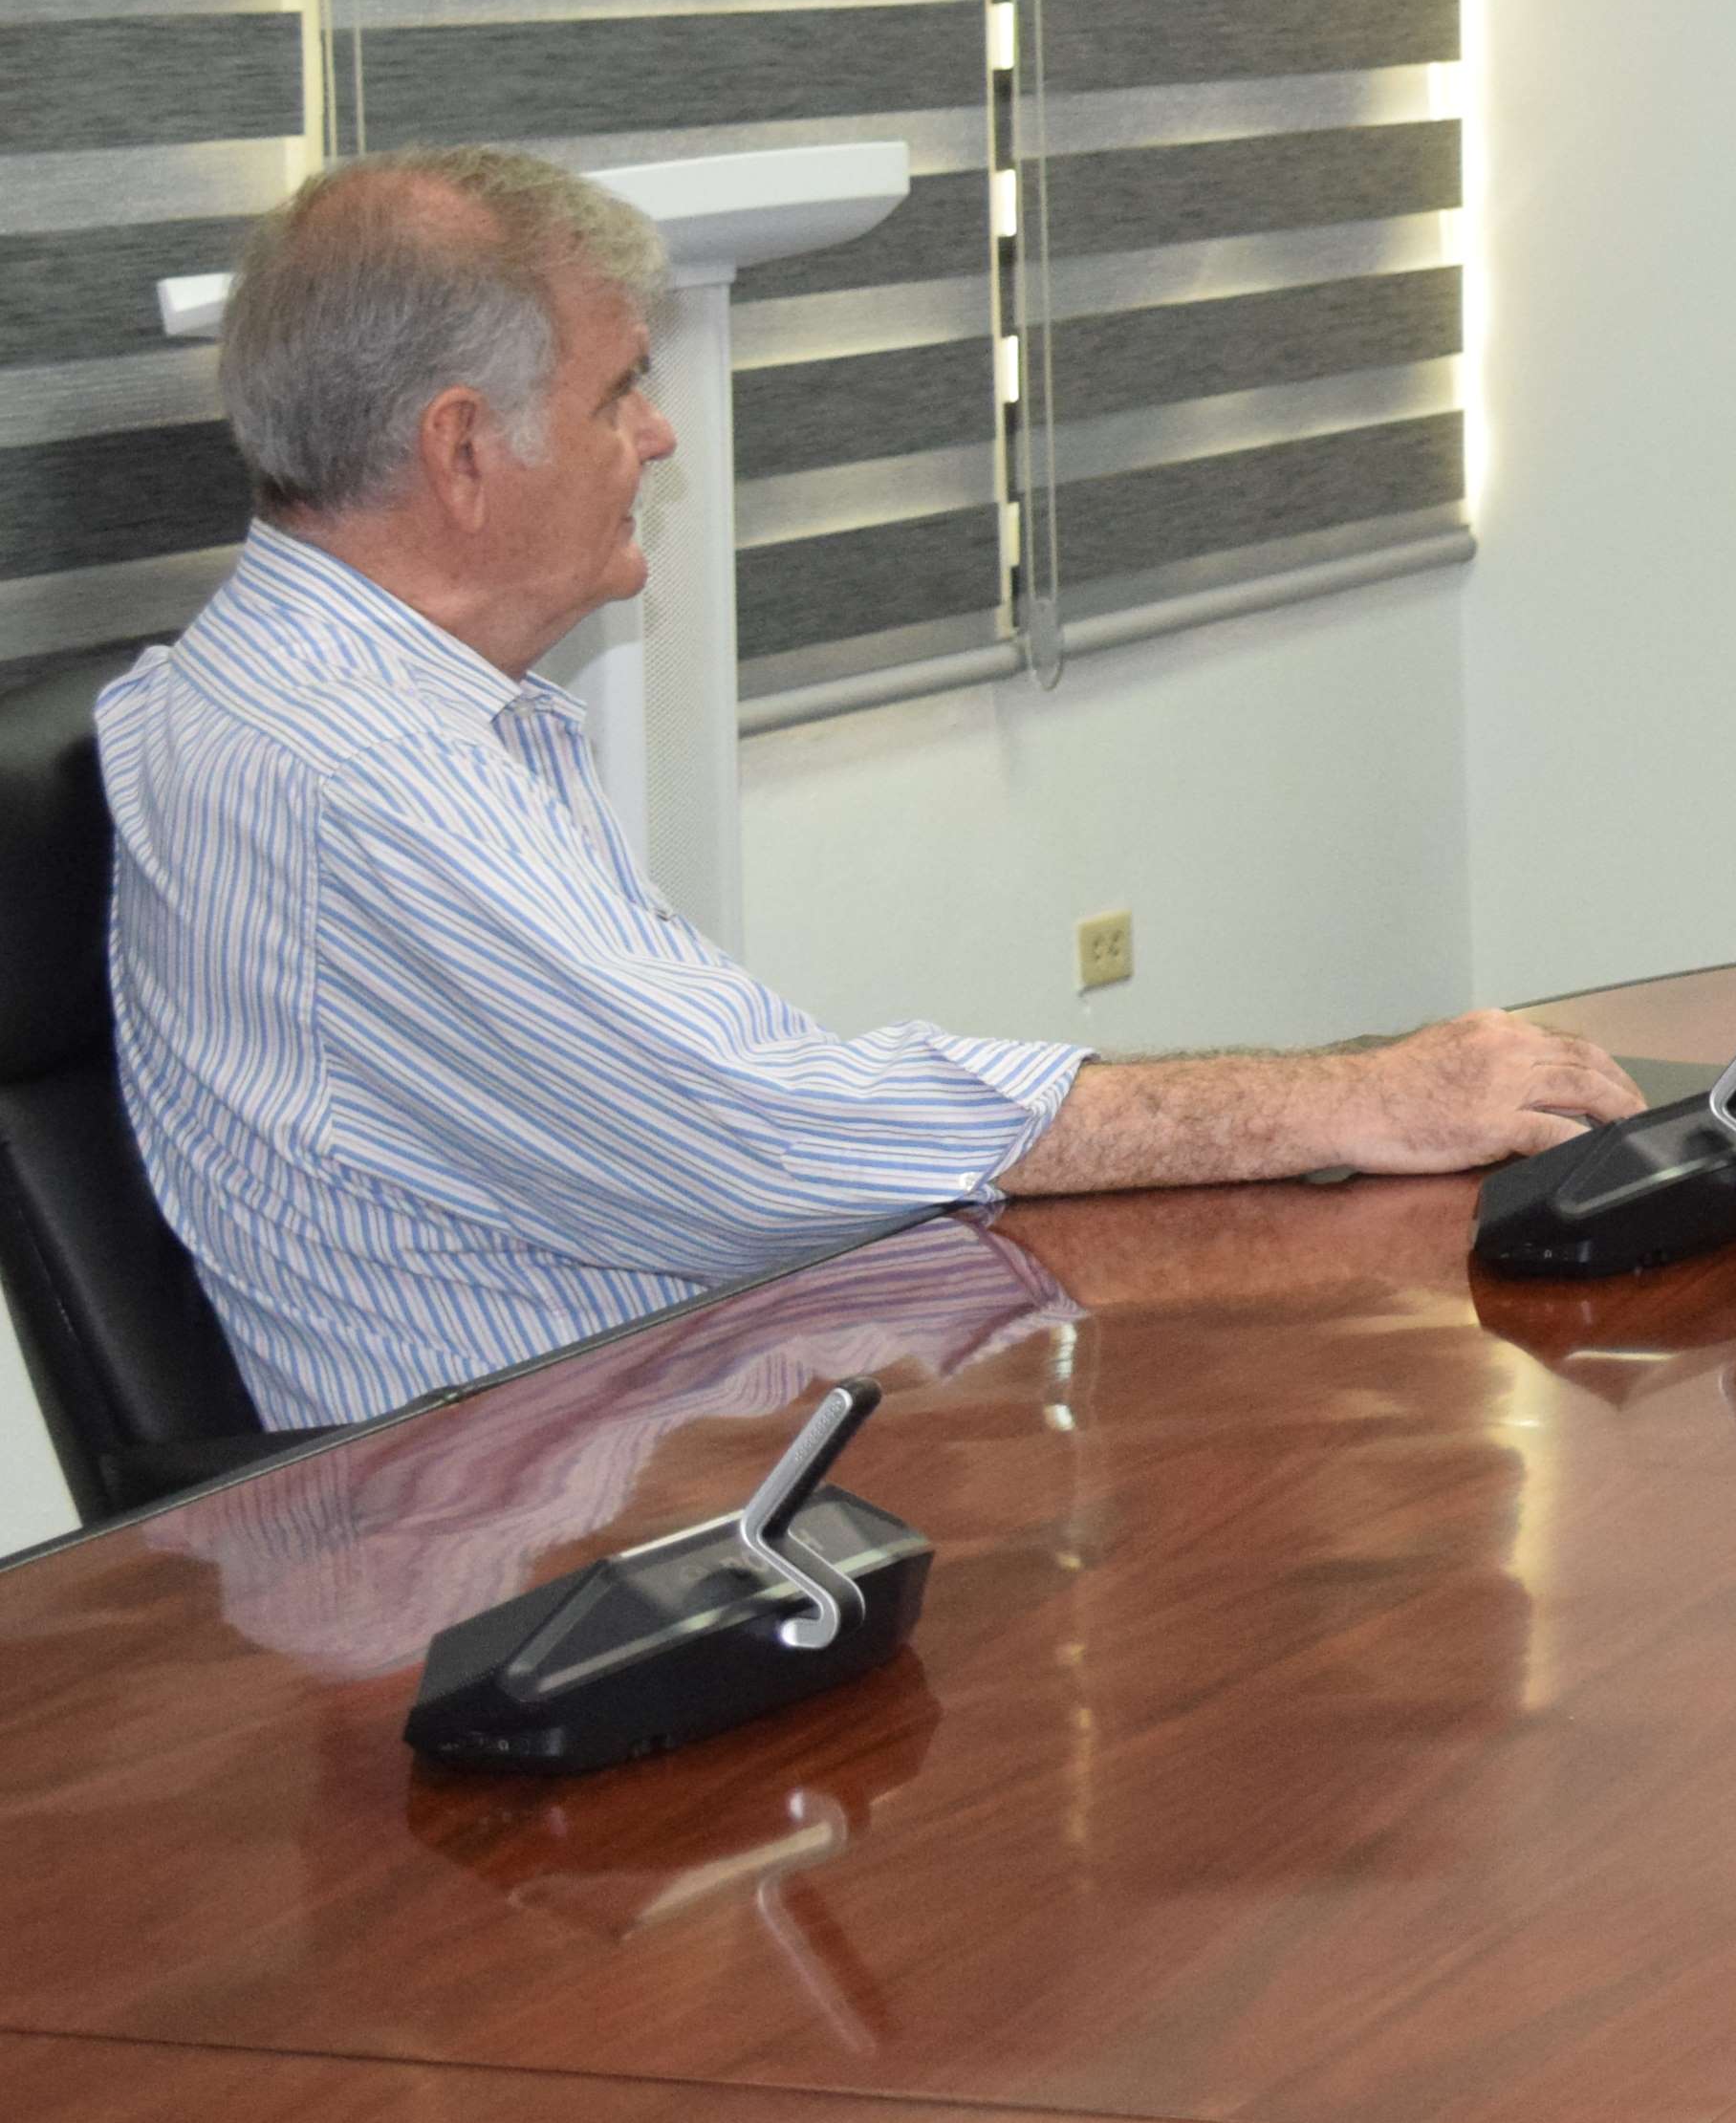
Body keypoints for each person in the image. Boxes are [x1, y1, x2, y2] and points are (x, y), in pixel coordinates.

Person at [106, 149, 1643, 1433]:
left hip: (647, 1444)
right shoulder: (359, 781)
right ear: (459, 453)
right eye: (617, 395)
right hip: (551, 1568)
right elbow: (765, 1141)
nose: (658, 435)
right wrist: (1353, 1094)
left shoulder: (261, 692)